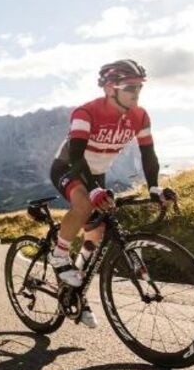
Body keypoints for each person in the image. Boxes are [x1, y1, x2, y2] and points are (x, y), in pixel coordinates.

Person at [49, 59, 178, 328]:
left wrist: (154, 187)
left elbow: (148, 154)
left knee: (96, 234)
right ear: (110, 88)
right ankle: (59, 255)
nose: (136, 93)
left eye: (139, 87)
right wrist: (93, 190)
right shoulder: (86, 112)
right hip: (70, 167)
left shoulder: (140, 116)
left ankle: (75, 292)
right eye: (130, 87)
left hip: (97, 173)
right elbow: (76, 156)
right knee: (84, 205)